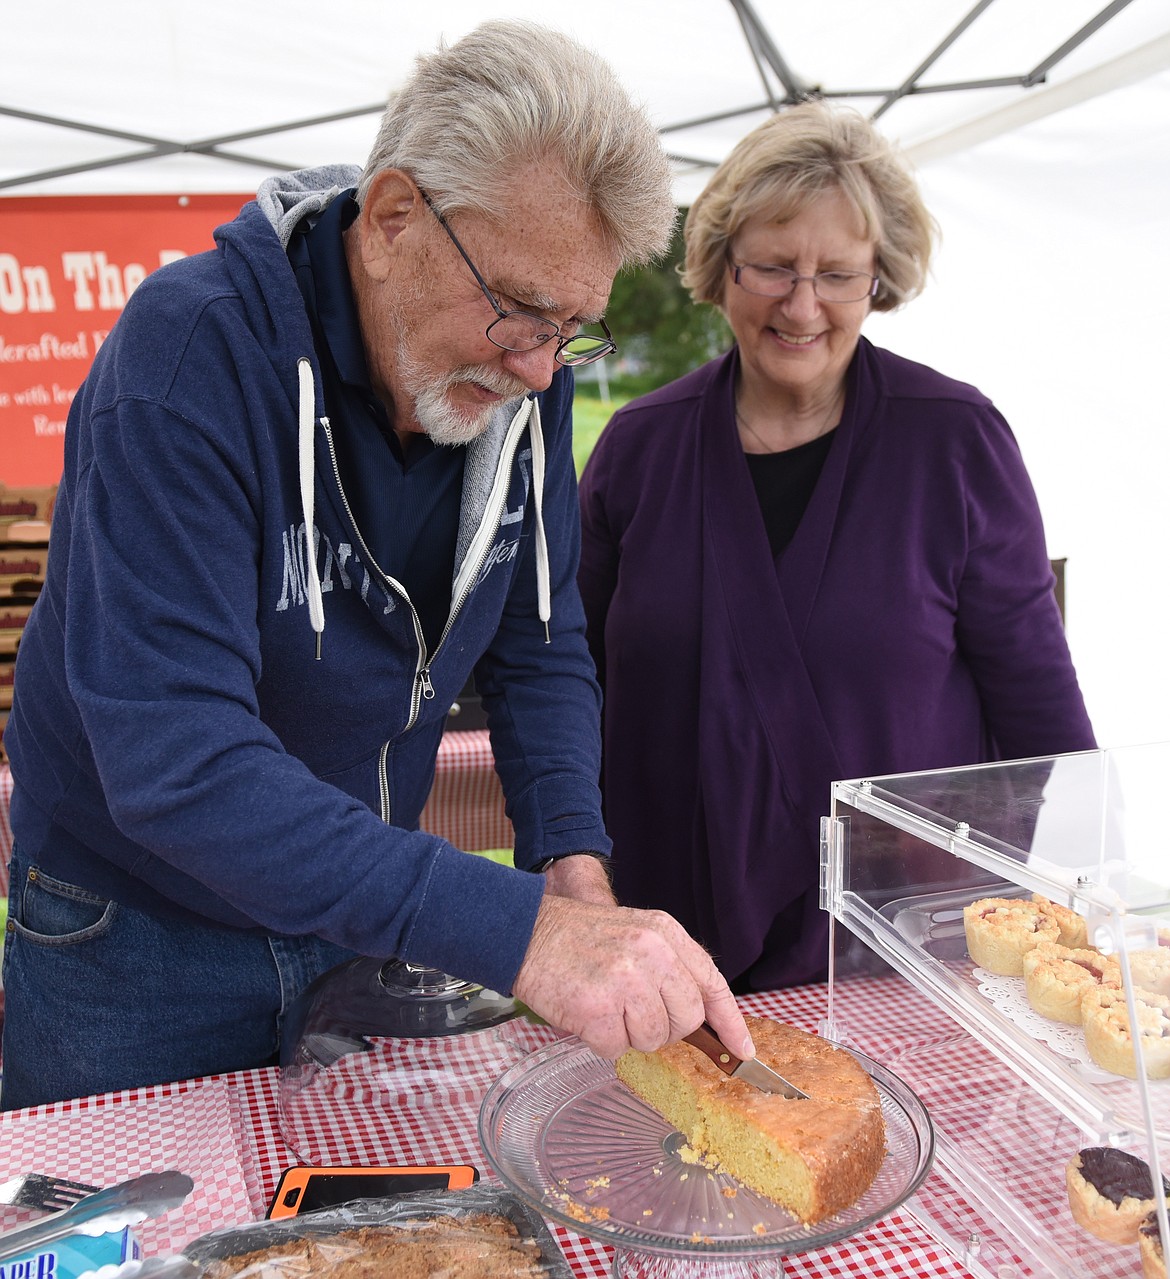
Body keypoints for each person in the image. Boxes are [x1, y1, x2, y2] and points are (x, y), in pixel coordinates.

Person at [0, 20, 753, 1110]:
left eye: (574, 328)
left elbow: (540, 641)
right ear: (395, 215)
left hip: (358, 913)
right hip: (135, 932)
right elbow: (180, 761)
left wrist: (571, 869)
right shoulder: (186, 363)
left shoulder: (522, 381)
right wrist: (520, 932)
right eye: (519, 310)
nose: (541, 368)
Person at [577, 101, 1096, 994]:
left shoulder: (955, 442)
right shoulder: (639, 447)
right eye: (773, 267)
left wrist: (1046, 934)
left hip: (898, 957)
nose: (803, 304)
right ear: (723, 269)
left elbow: (1041, 719)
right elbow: (567, 678)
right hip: (669, 951)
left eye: (839, 275)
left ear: (878, 279)